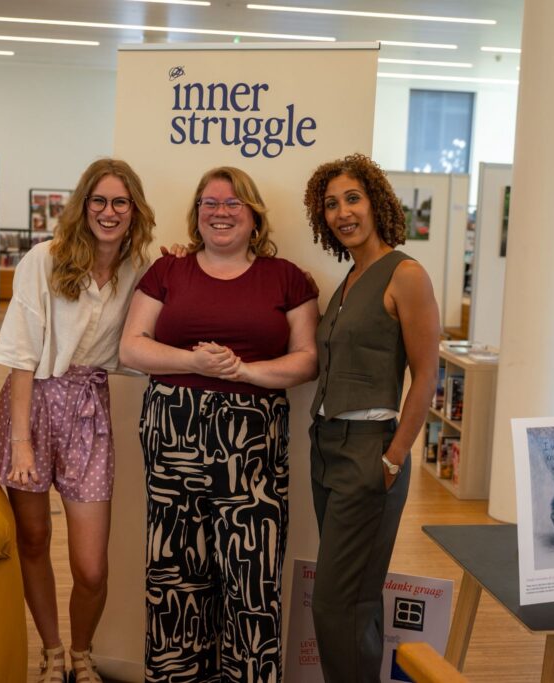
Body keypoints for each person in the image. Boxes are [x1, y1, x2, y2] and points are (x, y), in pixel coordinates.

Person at [120, 166, 318, 682]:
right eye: (210, 203)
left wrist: (243, 371)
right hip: (173, 440)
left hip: (252, 453)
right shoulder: (168, 271)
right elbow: (132, 347)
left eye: (233, 203)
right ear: (196, 214)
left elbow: (307, 360)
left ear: (254, 216)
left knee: (252, 582)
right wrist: (194, 362)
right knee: (175, 578)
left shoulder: (287, 278)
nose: (221, 212)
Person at [0, 158, 155, 683]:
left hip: (88, 410)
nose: (108, 212)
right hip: (31, 403)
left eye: (120, 202)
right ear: (83, 206)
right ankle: (53, 651)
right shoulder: (45, 259)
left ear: (134, 210)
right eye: (98, 201)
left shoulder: (140, 270)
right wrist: (21, 443)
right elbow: (21, 355)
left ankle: (83, 650)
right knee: (33, 539)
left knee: (91, 567)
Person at [302, 153, 440, 683]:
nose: (343, 212)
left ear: (376, 203)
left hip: (368, 450)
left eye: (352, 198)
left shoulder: (406, 274)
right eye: (331, 204)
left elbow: (425, 375)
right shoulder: (349, 279)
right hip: (326, 447)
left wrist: (393, 457)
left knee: (339, 604)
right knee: (351, 600)